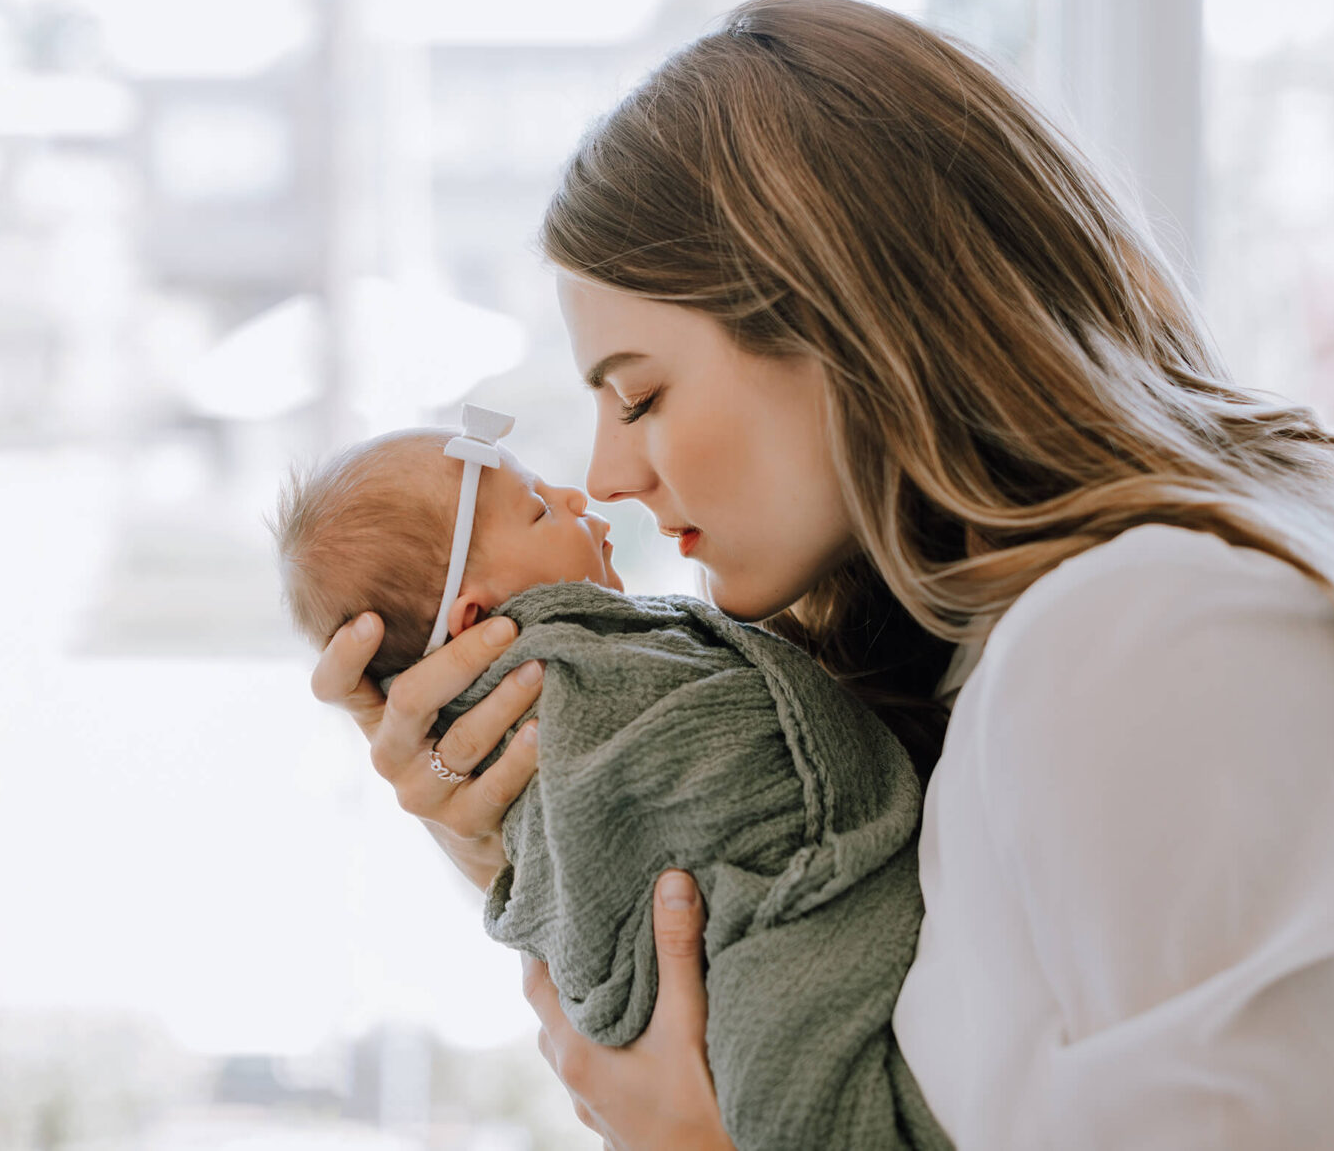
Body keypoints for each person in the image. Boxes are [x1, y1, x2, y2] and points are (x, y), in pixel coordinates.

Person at [309, 0, 1334, 1149]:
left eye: (640, 394)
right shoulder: (1005, 651)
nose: (607, 474)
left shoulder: (1150, 634)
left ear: (838, 323)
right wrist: (513, 813)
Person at [271, 411, 947, 1148]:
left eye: (643, 395)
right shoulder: (565, 683)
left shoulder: (629, 646)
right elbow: (604, 847)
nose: (580, 491)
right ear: (475, 617)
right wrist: (478, 849)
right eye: (538, 511)